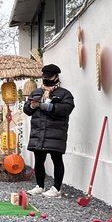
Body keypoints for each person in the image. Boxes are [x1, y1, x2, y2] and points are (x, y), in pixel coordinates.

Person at [23, 64, 75, 197]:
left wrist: (50, 107)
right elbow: (26, 110)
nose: (46, 79)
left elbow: (67, 109)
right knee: (38, 160)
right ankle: (39, 186)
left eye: (49, 77)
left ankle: (56, 189)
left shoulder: (65, 94)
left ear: (57, 77)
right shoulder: (36, 92)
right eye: (44, 77)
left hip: (56, 133)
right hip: (38, 132)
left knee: (57, 159)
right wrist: (32, 106)